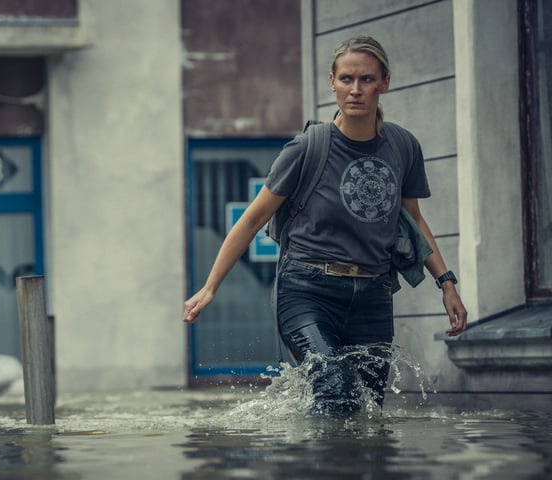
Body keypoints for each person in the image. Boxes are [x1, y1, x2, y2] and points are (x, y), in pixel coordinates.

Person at [183, 35, 468, 418]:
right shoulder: (307, 148)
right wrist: (210, 286)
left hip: (373, 296)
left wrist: (446, 283)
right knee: (336, 391)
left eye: (366, 79)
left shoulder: (402, 146)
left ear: (384, 82)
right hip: (306, 291)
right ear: (331, 81)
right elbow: (252, 218)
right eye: (346, 79)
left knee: (366, 412)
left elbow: (413, 221)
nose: (355, 90)